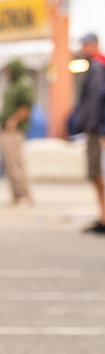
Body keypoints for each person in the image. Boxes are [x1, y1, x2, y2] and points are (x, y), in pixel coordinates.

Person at [73, 34, 105, 233]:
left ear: (93, 45)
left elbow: (99, 101)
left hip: (98, 129)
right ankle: (102, 216)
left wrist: (99, 129)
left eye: (85, 45)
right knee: (95, 174)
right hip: (95, 128)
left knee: (99, 174)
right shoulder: (93, 66)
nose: (83, 49)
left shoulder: (97, 67)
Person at [0, 58, 34, 206]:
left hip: (14, 129)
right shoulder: (11, 85)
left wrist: (14, 120)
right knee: (8, 164)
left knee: (16, 164)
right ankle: (15, 195)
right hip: (5, 128)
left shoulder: (23, 84)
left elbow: (27, 107)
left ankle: (24, 195)